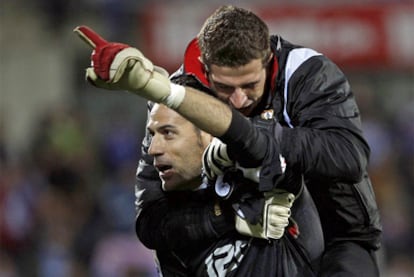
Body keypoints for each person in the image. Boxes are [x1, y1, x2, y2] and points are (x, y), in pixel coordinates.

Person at [74, 5, 382, 276]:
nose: (238, 100)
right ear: (205, 71)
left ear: (269, 61)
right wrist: (227, 217)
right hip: (240, 234)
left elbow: (349, 156)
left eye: (250, 85)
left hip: (336, 237)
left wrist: (247, 137)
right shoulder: (179, 98)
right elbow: (151, 222)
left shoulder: (304, 72)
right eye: (224, 87)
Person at [141, 102, 323, 276]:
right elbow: (152, 227)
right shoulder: (172, 229)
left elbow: (286, 170)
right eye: (152, 135)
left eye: (168, 133)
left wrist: (242, 152)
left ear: (209, 133)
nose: (153, 149)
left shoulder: (273, 188)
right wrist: (231, 216)